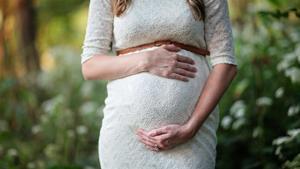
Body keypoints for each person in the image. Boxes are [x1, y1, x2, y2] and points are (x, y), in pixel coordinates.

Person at [80, 0, 238, 168]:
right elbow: (90, 66)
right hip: (125, 136)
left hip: (192, 139)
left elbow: (226, 64)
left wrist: (190, 129)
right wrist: (147, 60)